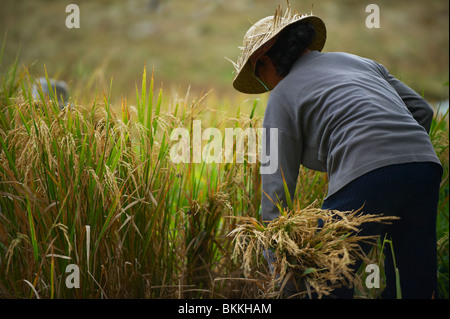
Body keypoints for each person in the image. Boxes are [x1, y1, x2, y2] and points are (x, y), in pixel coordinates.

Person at [230, 6, 443, 299]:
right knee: (412, 285)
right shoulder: (361, 63)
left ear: (265, 60)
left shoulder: (282, 95)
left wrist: (281, 268)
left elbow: (275, 193)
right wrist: (399, 156)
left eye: (259, 74)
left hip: (367, 173)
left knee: (322, 279)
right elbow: (421, 110)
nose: (265, 85)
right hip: (424, 166)